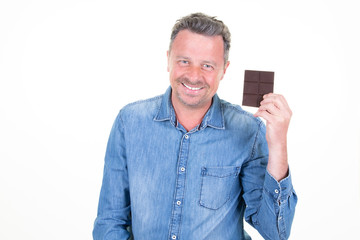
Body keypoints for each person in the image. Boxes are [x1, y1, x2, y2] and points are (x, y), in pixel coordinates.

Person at [93, 12, 297, 240]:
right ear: (168, 59)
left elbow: (276, 233)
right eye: (184, 61)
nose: (194, 75)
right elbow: (109, 222)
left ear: (224, 70)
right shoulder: (129, 122)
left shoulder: (248, 130)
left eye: (208, 65)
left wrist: (278, 143)